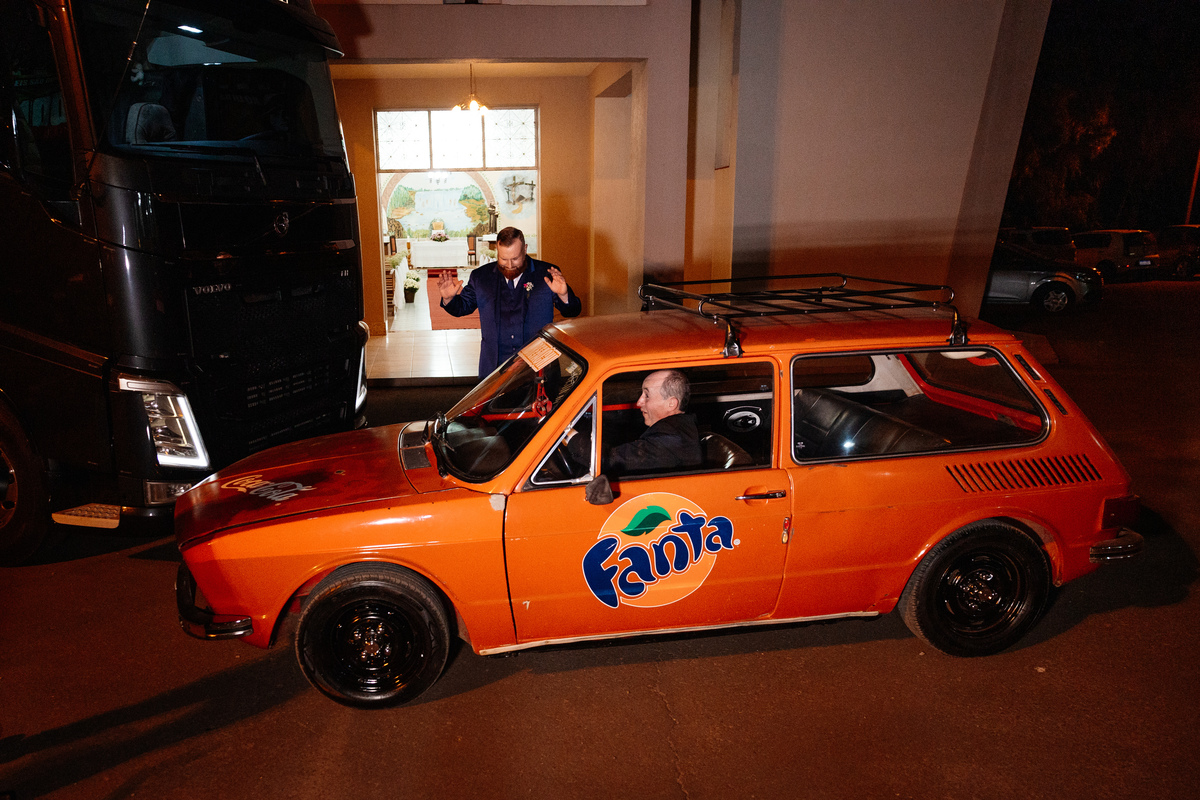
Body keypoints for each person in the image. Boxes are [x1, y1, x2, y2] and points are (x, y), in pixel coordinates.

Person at [438, 226, 581, 377]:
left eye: (515, 259)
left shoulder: (546, 274)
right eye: (504, 259)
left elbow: (573, 311)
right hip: (494, 369)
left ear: (525, 249)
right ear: (497, 252)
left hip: (540, 370)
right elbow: (462, 308)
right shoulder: (481, 277)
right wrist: (449, 299)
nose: (510, 265)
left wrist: (564, 295)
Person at [566, 369, 702, 476]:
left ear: (671, 403)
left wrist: (566, 432)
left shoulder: (670, 442)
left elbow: (607, 460)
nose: (639, 402)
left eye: (646, 396)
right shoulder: (675, 430)